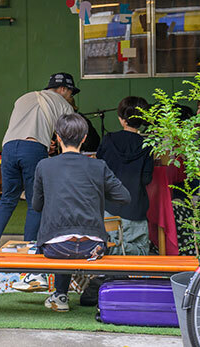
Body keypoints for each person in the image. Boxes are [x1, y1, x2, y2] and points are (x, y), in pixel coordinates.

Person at [33, 113, 130, 312]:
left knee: (61, 237)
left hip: (55, 248)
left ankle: (57, 293)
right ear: (85, 138)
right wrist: (96, 193)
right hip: (93, 248)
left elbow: (36, 205)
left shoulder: (44, 166)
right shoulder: (98, 166)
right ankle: (60, 293)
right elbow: (124, 196)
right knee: (71, 236)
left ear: (58, 137)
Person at [0, 73, 77, 253]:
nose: (71, 97)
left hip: (9, 148)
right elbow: (70, 134)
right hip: (33, 150)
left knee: (7, 199)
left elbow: (26, 126)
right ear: (63, 89)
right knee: (35, 202)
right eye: (71, 92)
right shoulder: (64, 104)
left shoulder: (23, 98)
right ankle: (31, 247)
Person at [96, 96, 153, 255]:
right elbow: (146, 179)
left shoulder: (109, 140)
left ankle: (112, 249)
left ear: (122, 119)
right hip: (136, 208)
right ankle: (120, 250)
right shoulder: (147, 146)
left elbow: (99, 169)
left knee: (109, 247)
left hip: (109, 208)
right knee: (140, 252)